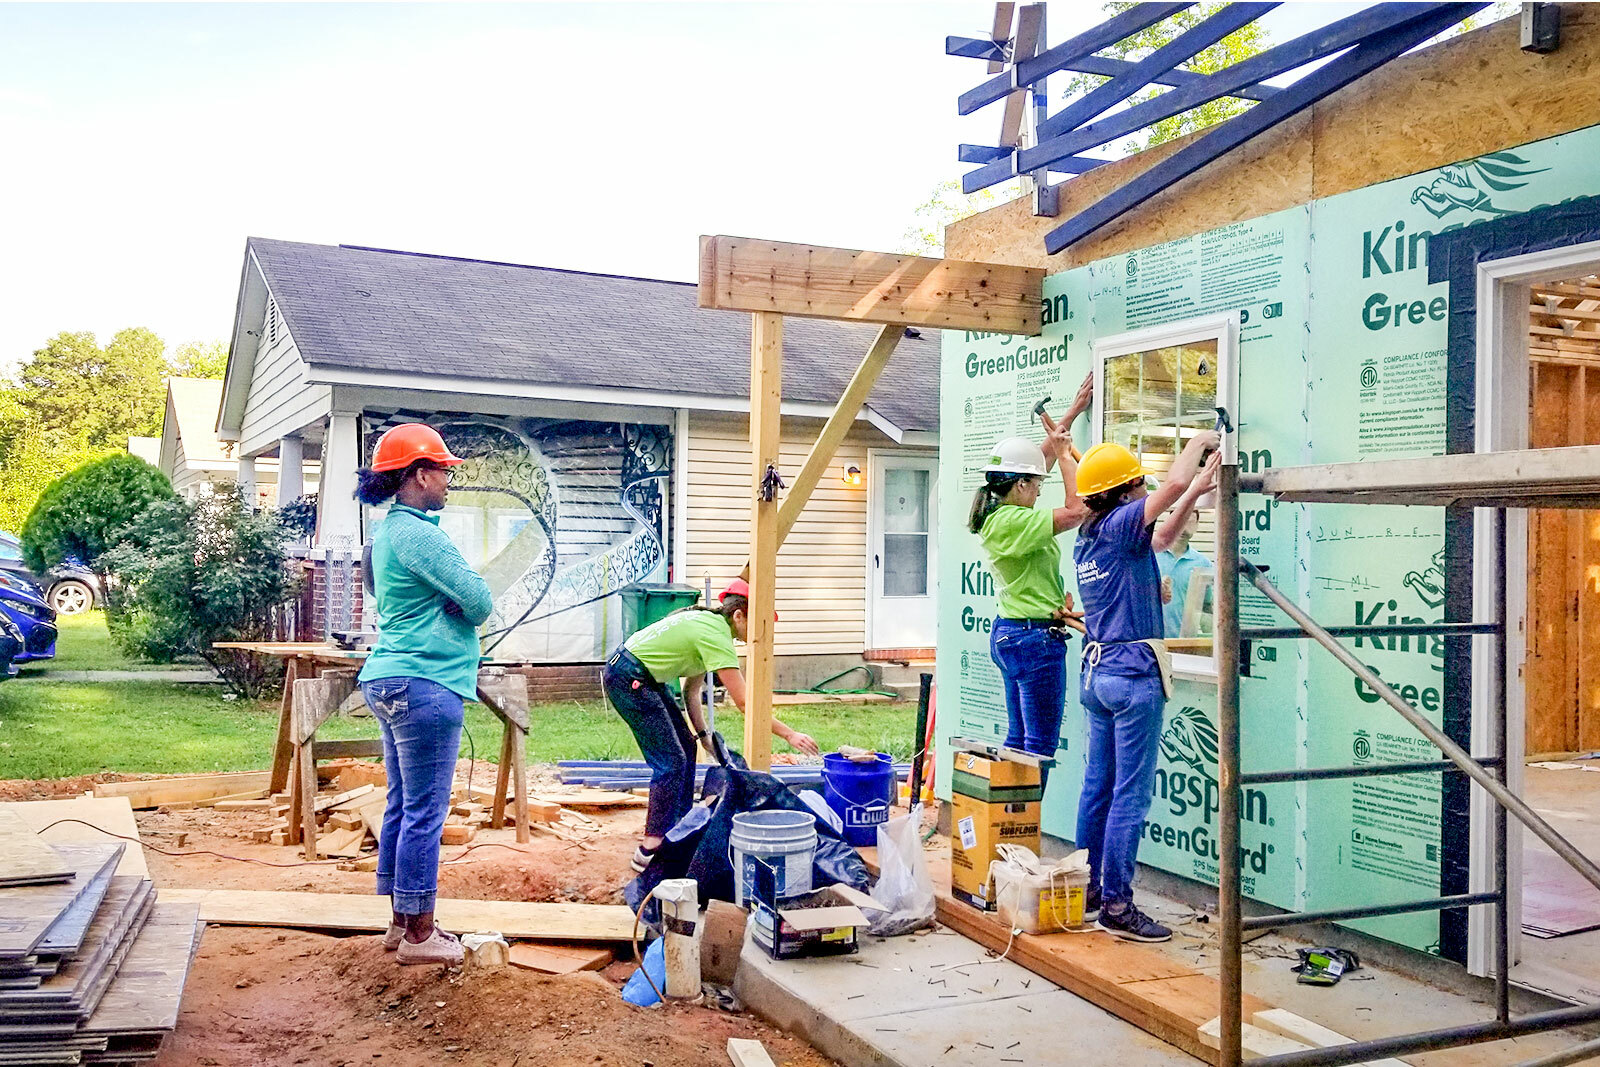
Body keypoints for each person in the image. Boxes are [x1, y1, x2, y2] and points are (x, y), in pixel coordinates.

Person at [1072, 434, 1221, 942]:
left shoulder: (1091, 535)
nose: (1146, 488)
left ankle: (1089, 892)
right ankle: (1117, 905)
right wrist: (1199, 443)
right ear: (1123, 492)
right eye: (1139, 483)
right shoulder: (1119, 524)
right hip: (1132, 677)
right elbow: (1171, 484)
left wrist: (1197, 488)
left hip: (1099, 675)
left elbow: (1160, 540)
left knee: (1098, 787)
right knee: (1129, 797)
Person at [355, 423, 493, 966]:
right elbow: (479, 600)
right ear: (418, 475)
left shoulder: (385, 535)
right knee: (425, 812)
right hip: (426, 682)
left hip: (388, 678)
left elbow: (384, 591)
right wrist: (459, 605)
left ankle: (399, 922)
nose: (447, 481)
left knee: (402, 802)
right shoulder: (419, 533)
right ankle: (420, 935)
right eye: (442, 471)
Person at [604, 578, 820, 873]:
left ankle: (678, 831)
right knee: (670, 761)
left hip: (640, 675)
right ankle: (650, 849)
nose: (761, 633)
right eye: (759, 623)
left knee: (686, 747)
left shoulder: (709, 625)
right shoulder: (716, 636)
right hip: (629, 677)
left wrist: (704, 735)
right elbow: (744, 703)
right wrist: (790, 734)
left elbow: (691, 691)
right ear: (739, 615)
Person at [969, 418, 1086, 783]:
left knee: (1020, 741)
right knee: (1038, 747)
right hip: (1033, 641)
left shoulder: (1002, 517)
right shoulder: (1012, 521)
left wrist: (1069, 417)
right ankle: (1024, 817)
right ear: (1020, 485)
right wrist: (1065, 456)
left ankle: (1006, 815)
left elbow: (1035, 459)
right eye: (1036, 485)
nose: (1038, 492)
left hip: (1015, 633)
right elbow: (1077, 511)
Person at [1154, 507, 1213, 639]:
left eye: (1190, 522)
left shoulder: (1203, 563)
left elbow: (1206, 607)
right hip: (1152, 642)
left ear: (1197, 526)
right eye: (1180, 521)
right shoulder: (1151, 556)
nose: (1184, 528)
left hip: (1184, 643)